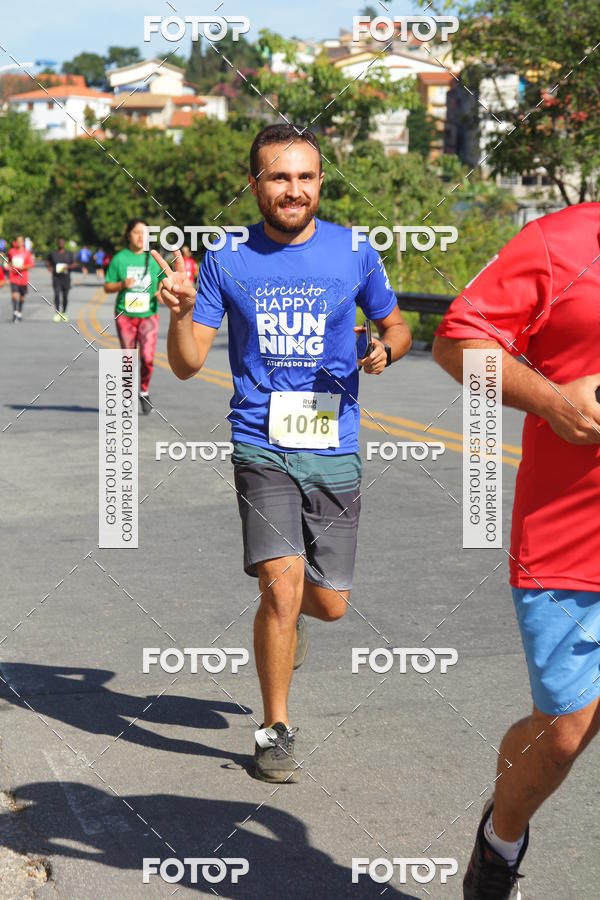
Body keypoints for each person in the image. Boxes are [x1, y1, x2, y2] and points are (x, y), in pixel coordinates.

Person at [152, 123, 412, 783]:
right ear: (255, 184)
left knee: (327, 604)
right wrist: (180, 314)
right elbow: (185, 366)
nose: (293, 190)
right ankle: (274, 729)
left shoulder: (353, 250)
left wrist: (388, 348)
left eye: (305, 177)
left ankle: (287, 635)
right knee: (281, 585)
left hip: (333, 439)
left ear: (320, 182)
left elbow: (398, 323)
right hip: (260, 441)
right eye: (278, 177)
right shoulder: (226, 256)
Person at [432, 202, 600, 899]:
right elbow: (455, 341)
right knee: (564, 734)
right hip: (572, 538)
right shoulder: (559, 244)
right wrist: (553, 401)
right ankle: (499, 844)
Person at [104, 220, 164, 415]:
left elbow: (164, 282)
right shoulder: (120, 259)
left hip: (149, 315)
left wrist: (161, 293)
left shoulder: (154, 259)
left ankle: (144, 391)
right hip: (125, 315)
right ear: (128, 234)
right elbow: (107, 286)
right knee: (128, 357)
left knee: (147, 357)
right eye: (136, 232)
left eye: (144, 233)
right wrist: (122, 284)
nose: (141, 236)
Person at [47, 238, 76, 322]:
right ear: (57, 244)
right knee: (56, 295)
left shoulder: (69, 254)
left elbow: (74, 264)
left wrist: (68, 267)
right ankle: (57, 313)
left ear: (64, 244)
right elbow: (48, 262)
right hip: (56, 277)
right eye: (59, 242)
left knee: (65, 296)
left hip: (66, 278)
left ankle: (64, 313)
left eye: (62, 243)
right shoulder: (53, 254)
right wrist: (50, 267)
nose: (61, 244)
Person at [8, 236, 34, 322]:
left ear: (23, 242)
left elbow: (31, 265)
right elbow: (9, 261)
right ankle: (15, 312)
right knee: (14, 295)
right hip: (13, 277)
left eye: (20, 241)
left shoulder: (27, 253)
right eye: (17, 241)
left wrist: (23, 267)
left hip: (23, 278)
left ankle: (19, 312)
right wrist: (9, 266)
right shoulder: (12, 251)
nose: (19, 242)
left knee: (22, 297)